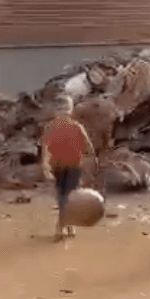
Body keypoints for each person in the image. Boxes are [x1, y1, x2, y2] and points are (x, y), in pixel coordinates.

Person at [41, 94, 96, 241]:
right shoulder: (70, 127)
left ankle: (64, 226)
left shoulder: (59, 127)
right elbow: (46, 149)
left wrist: (46, 167)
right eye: (62, 109)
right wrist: (45, 166)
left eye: (66, 108)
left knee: (65, 197)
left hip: (67, 167)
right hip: (64, 167)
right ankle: (65, 225)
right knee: (65, 196)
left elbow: (88, 147)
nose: (64, 111)